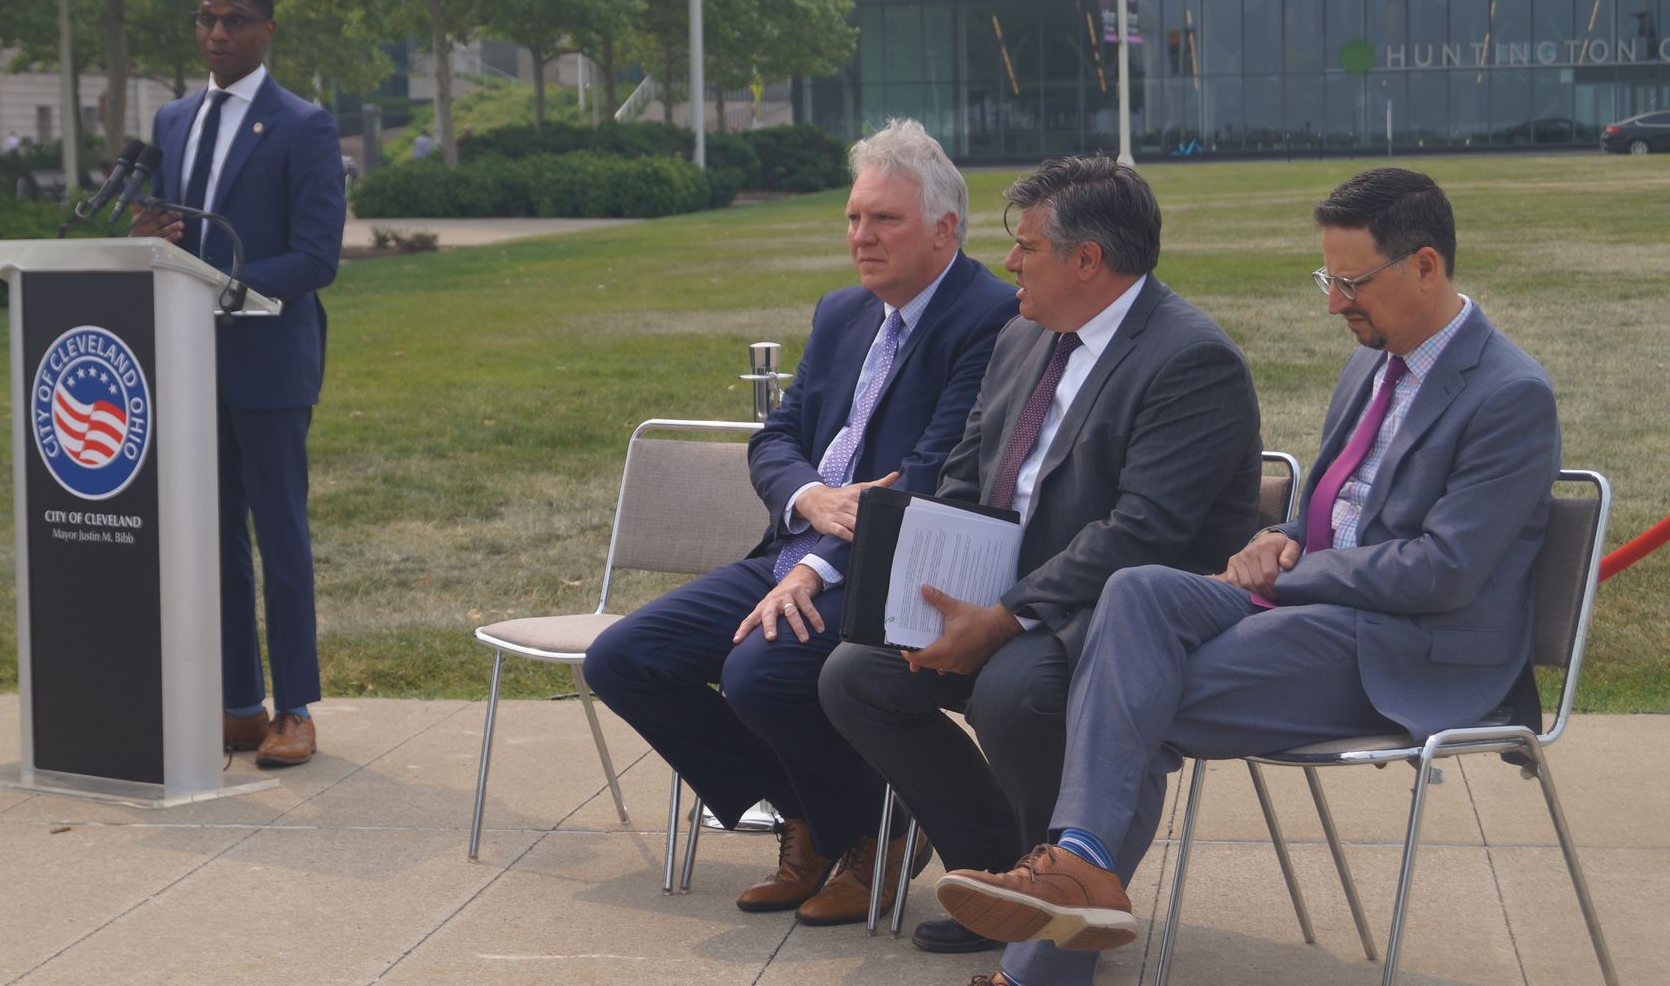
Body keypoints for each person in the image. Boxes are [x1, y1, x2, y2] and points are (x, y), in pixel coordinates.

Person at [935, 168, 1561, 986]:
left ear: (1426, 267)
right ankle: (1081, 865)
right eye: (1326, 279)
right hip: (1317, 614)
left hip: (1411, 653)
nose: (1334, 302)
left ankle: (1043, 950)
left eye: (1350, 281)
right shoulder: (1370, 365)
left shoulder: (1511, 396)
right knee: (1138, 592)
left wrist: (1297, 569)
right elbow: (1333, 513)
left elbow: (1441, 573)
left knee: (1128, 695)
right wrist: (1281, 537)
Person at [818, 156, 1262, 956]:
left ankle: (1054, 921)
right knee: (857, 675)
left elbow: (1142, 532)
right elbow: (966, 470)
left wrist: (1003, 618)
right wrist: (929, 592)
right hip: (1003, 592)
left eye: (1025, 247)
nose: (1010, 263)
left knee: (1014, 693)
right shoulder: (1024, 334)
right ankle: (996, 877)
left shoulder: (1190, 359)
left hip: (1120, 610)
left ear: (1087, 261)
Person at [584, 118, 1018, 926]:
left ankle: (866, 836)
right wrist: (809, 502)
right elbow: (777, 437)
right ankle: (828, 819)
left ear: (944, 229)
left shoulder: (989, 317)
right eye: (854, 217)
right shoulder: (842, 312)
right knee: (624, 659)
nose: (862, 236)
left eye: (884, 219)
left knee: (759, 673)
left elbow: (932, 473)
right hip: (796, 544)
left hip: (893, 568)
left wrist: (816, 567)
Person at [131, 0, 346, 767]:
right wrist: (151, 232)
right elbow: (174, 231)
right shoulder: (174, 118)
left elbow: (317, 255)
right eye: (206, 20)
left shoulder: (303, 125)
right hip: (191, 359)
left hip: (270, 357)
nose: (217, 34)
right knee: (215, 539)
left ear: (267, 30)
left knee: (280, 537)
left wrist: (231, 286)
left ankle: (294, 709)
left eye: (234, 21)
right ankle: (237, 705)